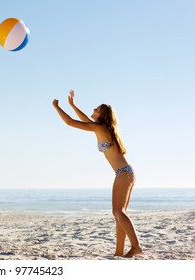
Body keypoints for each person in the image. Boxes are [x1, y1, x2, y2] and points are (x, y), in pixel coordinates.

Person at [52, 90, 143, 258]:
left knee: (118, 212)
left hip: (124, 173)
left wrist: (56, 107)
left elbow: (70, 122)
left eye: (96, 109)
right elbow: (84, 119)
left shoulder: (100, 128)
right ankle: (118, 253)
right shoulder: (102, 128)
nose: (93, 110)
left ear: (102, 115)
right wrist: (72, 105)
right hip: (125, 173)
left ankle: (136, 246)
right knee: (119, 213)